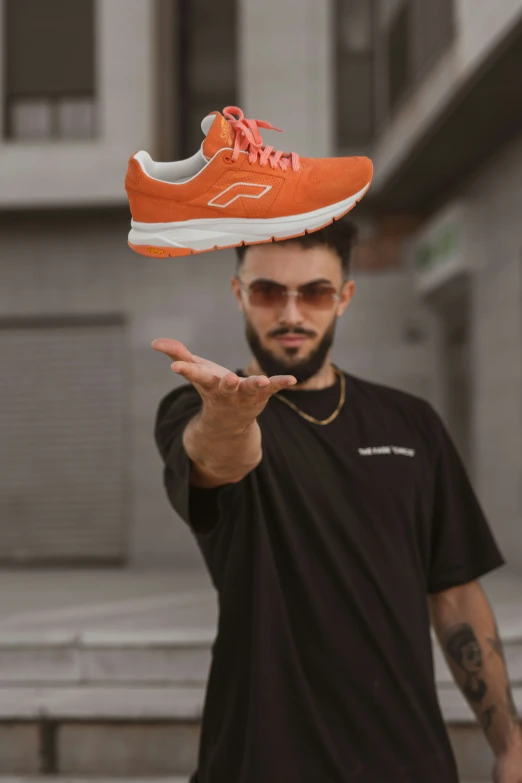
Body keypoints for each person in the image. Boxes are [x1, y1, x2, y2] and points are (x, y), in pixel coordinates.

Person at [152, 220, 521, 783]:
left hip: (408, 762)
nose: (293, 314)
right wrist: (228, 419)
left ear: (344, 296)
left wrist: (509, 744)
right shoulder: (197, 409)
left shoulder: (412, 422)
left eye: (316, 292)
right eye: (269, 291)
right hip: (260, 760)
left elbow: (455, 595)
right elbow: (223, 459)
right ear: (239, 293)